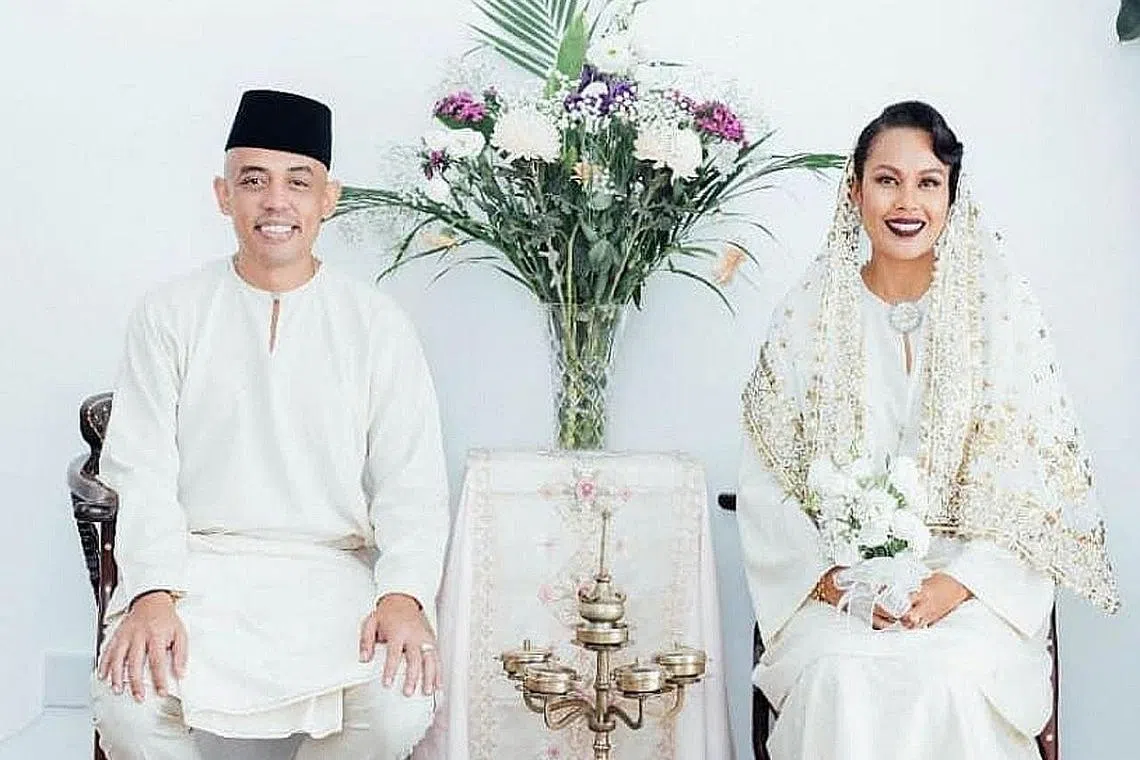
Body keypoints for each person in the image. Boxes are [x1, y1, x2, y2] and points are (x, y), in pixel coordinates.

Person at [736, 101, 1119, 760]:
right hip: (837, 591)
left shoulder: (1001, 317)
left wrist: (957, 585)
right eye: (887, 180)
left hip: (973, 594)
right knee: (839, 676)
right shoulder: (808, 316)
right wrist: (836, 582)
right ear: (854, 191)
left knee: (949, 677)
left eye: (928, 182)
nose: (906, 202)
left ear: (951, 196)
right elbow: (765, 480)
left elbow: (1032, 489)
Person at [90, 89, 450, 760]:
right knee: (129, 709)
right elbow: (140, 470)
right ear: (223, 195)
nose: (275, 201)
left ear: (329, 199)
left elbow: (413, 482)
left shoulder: (377, 325)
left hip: (331, 575)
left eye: (298, 182)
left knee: (400, 705)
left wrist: (403, 594)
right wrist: (152, 592)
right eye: (253, 181)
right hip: (193, 570)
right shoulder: (169, 314)